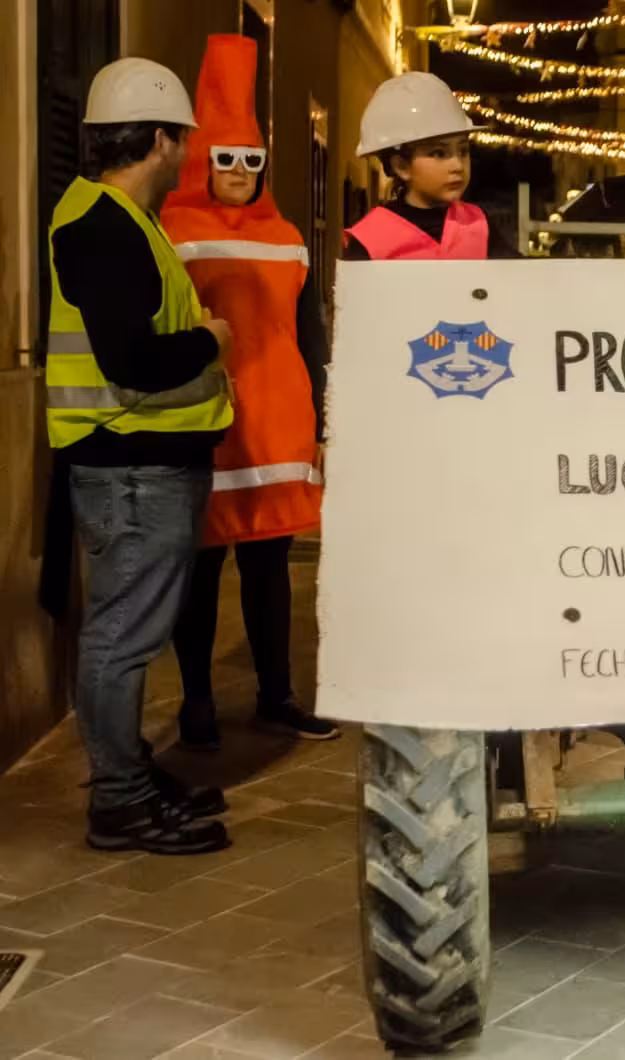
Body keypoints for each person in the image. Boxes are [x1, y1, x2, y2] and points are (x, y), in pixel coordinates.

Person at [46, 57, 234, 855]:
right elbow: (130, 362)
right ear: (161, 140)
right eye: (183, 139)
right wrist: (210, 339)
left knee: (127, 634)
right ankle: (118, 800)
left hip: (138, 462)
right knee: (122, 637)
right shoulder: (103, 227)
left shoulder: (121, 219)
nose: (187, 154)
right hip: (130, 465)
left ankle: (128, 774)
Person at [162, 35, 339, 749]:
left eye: (252, 160)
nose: (239, 172)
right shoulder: (172, 232)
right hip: (206, 423)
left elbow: (310, 335)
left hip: (276, 427)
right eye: (227, 158)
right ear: (204, 160)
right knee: (201, 569)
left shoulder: (289, 236)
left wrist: (323, 419)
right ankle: (197, 702)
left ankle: (276, 695)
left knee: (269, 569)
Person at [343, 71, 520, 261]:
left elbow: (521, 275)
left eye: (463, 151)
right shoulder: (370, 238)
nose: (457, 165)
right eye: (439, 153)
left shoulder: (480, 226)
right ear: (402, 166)